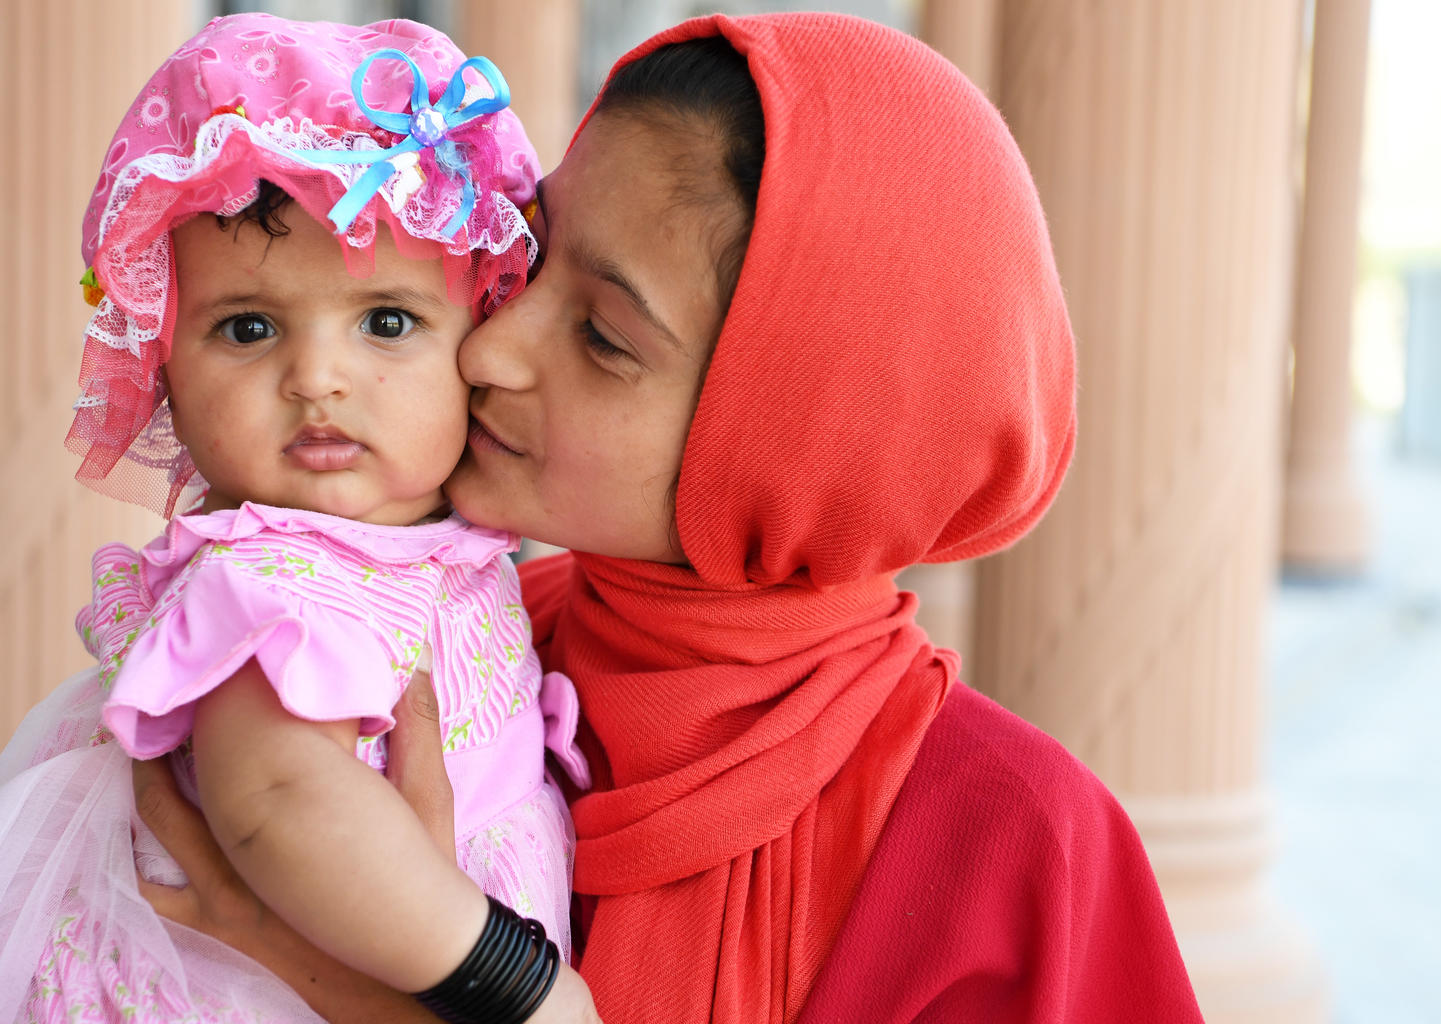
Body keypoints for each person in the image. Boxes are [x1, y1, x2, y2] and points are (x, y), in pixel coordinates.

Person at [58, 10, 1206, 1024]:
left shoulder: (1012, 851)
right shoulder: (444, 635)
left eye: (603, 337)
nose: (495, 345)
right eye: (531, 260)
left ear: (791, 437)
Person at [0, 13, 592, 1022]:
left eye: (388, 322)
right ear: (165, 372)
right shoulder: (270, 579)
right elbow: (281, 802)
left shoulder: (430, 554)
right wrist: (520, 988)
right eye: (248, 327)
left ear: (482, 333)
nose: (318, 378)